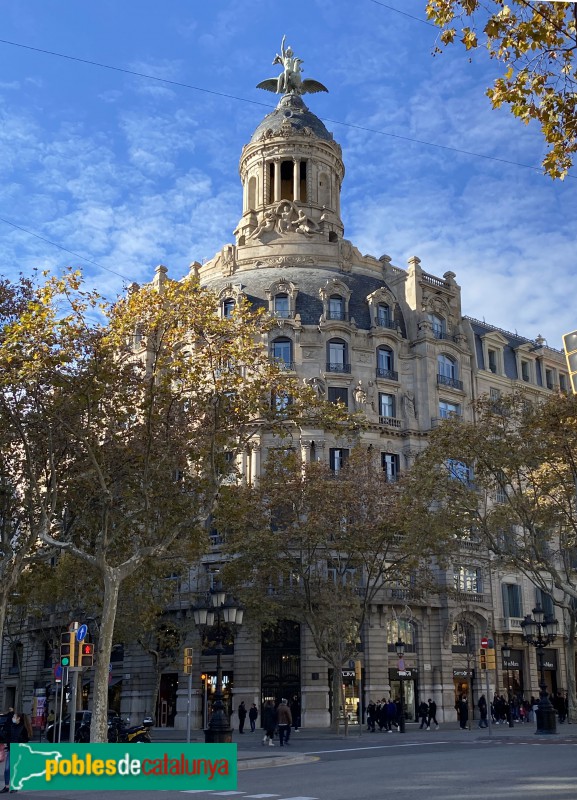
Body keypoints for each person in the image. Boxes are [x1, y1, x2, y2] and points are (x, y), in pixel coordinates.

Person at [3, 711, 32, 793]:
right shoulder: (12, 726)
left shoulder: (23, 728)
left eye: (14, 717)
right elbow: (8, 736)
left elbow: (26, 739)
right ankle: (6, 786)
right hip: (11, 749)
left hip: (18, 749)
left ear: (18, 718)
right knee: (7, 769)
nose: (13, 718)